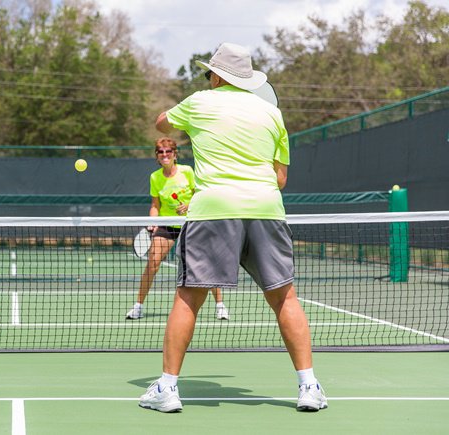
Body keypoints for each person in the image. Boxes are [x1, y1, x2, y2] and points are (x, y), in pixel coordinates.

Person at [139, 42, 327, 413]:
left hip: (214, 210)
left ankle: (167, 389)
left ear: (219, 75)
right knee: (285, 297)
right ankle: (309, 386)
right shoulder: (272, 114)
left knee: (189, 297)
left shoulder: (199, 102)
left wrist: (183, 119)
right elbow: (281, 178)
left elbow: (161, 123)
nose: (207, 78)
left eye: (210, 73)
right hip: (266, 209)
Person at [126, 137, 229, 321]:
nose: (164, 155)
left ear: (175, 154)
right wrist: (152, 221)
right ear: (157, 157)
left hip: (191, 223)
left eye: (168, 151)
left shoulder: (187, 171)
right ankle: (138, 306)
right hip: (167, 225)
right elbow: (155, 205)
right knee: (152, 263)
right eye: (160, 152)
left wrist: (189, 205)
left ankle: (220, 306)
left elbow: (201, 194)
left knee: (206, 264)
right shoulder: (155, 177)